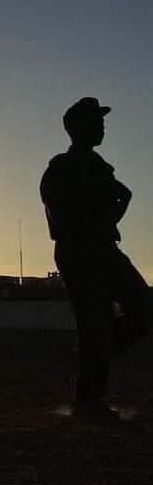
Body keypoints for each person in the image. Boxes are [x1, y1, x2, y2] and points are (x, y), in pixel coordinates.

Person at [40, 97, 151, 414]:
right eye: (96, 121)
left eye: (102, 122)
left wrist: (113, 213)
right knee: (93, 321)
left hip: (104, 248)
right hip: (79, 250)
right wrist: (100, 213)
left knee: (142, 307)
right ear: (78, 127)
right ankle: (89, 396)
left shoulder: (100, 168)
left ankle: (104, 347)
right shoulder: (61, 167)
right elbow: (63, 213)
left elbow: (116, 201)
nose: (102, 127)